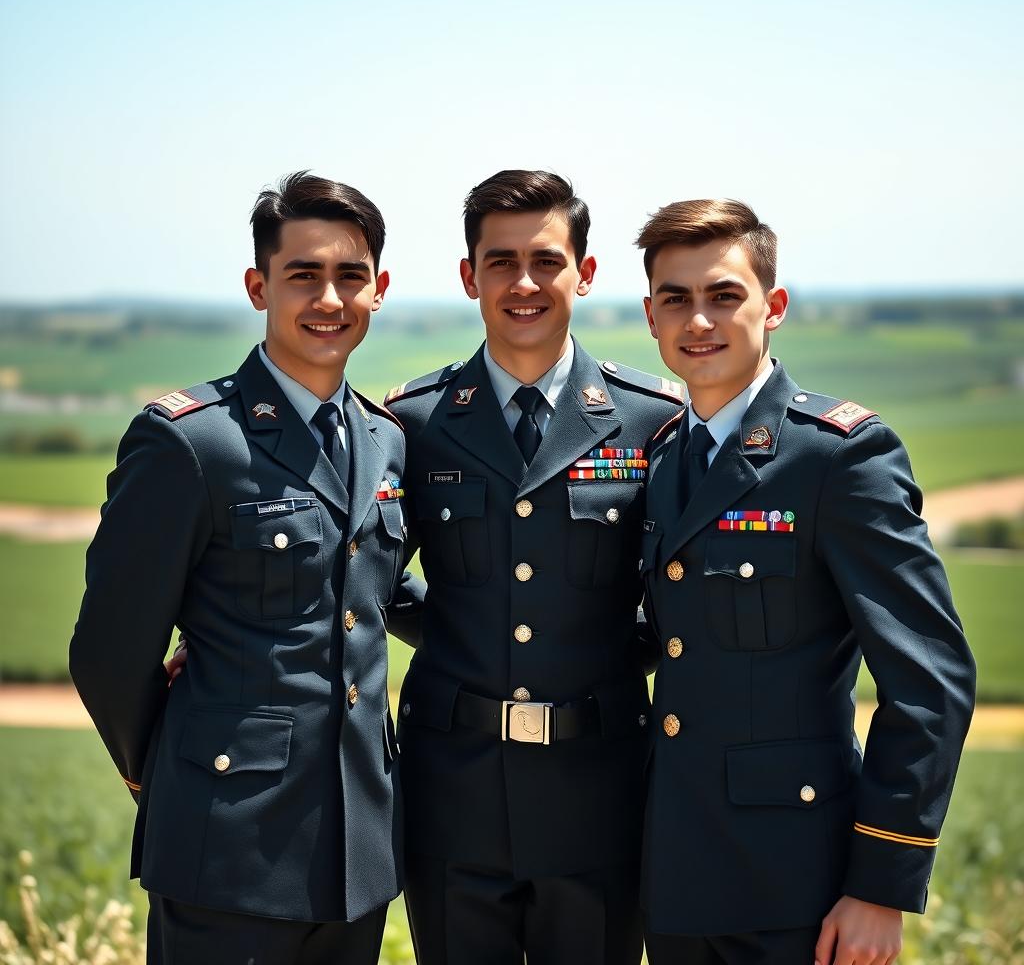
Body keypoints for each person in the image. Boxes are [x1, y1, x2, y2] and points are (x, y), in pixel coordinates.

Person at [70, 171, 414, 965]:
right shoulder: (193, 442)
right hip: (225, 848)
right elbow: (109, 651)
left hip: (355, 853)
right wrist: (160, 771)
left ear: (379, 289)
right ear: (259, 286)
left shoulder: (384, 439)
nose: (329, 297)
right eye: (304, 275)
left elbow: (375, 596)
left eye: (350, 276)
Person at [635, 199, 976, 965]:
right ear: (651, 318)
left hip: (802, 886)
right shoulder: (662, 460)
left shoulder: (838, 459)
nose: (700, 320)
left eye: (724, 295)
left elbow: (932, 682)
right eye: (676, 299)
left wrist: (881, 886)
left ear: (773, 306)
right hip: (677, 876)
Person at [382, 169, 684, 965]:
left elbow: (682, 588)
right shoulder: (413, 422)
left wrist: (616, 655)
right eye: (500, 261)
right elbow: (367, 572)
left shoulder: (652, 419)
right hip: (453, 792)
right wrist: (452, 634)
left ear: (584, 273)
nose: (524, 283)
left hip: (600, 791)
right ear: (468, 276)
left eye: (547, 261)